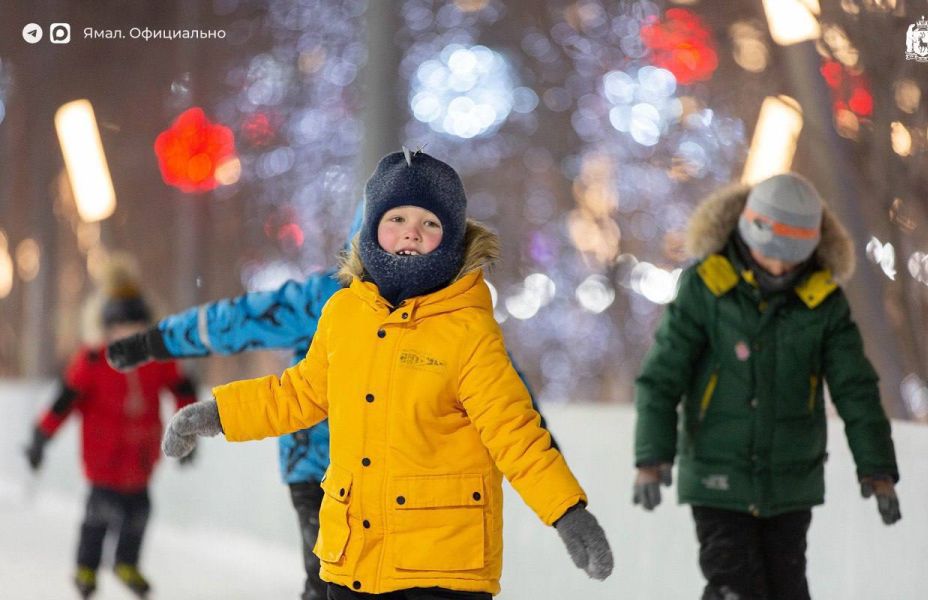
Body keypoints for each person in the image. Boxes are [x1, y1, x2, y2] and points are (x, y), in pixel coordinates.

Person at [160, 148, 613, 599]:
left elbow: (513, 431)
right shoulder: (343, 314)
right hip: (353, 559)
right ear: (372, 227)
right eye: (397, 218)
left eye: (430, 223)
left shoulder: (468, 331)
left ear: (452, 239)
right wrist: (217, 413)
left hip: (439, 568)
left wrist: (566, 512)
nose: (411, 231)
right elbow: (298, 393)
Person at [106, 205, 556, 600]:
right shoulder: (328, 299)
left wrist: (535, 447)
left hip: (400, 479)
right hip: (318, 468)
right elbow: (237, 321)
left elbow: (498, 384)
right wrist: (152, 342)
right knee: (330, 578)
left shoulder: (451, 312)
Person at [632, 173, 900, 600]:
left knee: (786, 589)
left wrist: (877, 467)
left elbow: (856, 389)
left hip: (790, 480)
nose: (777, 268)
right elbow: (661, 377)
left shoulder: (823, 301)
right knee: (734, 588)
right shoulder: (706, 287)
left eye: (791, 259)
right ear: (746, 233)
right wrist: (651, 457)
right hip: (717, 472)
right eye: (768, 254)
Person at [24, 255, 197, 599]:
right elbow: (64, 400)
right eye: (120, 327)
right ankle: (86, 566)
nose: (128, 334)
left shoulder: (156, 360)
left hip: (142, 458)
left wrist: (189, 432)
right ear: (106, 327)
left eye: (136, 327)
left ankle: (126, 563)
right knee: (98, 516)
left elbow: (182, 389)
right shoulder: (92, 361)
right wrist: (41, 436)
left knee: (139, 513)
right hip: (103, 460)